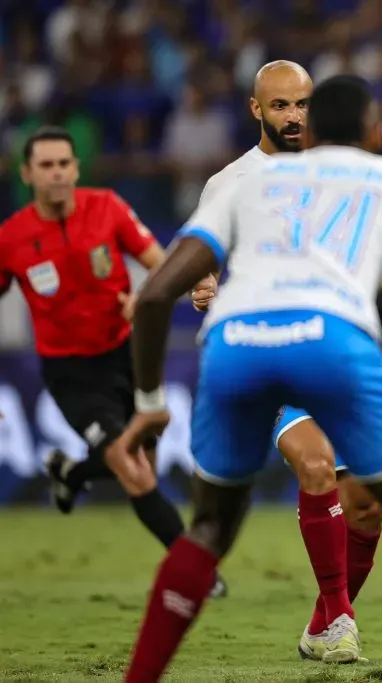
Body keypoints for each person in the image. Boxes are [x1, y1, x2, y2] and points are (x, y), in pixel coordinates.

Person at [113, 74, 382, 682]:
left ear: (312, 126)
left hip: (235, 345)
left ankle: (314, 623)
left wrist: (150, 402)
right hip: (330, 340)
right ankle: (350, 622)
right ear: (377, 130)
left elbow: (155, 294)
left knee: (209, 529)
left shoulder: (256, 185)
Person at [188, 60, 382, 661]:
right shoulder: (229, 183)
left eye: (302, 104)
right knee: (316, 465)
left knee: (366, 504)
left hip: (339, 347)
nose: (294, 116)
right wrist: (205, 288)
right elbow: (203, 270)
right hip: (268, 353)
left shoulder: (336, 173)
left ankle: (323, 620)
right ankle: (344, 620)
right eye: (280, 106)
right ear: (257, 111)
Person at [0, 126, 227, 598]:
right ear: (27, 174)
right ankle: (198, 571)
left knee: (144, 454)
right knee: (132, 468)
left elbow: (160, 264)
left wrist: (168, 289)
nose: (57, 173)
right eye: (46, 165)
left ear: (76, 168)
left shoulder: (107, 207)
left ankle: (72, 472)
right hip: (71, 373)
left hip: (128, 356)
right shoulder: (12, 238)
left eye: (64, 163)